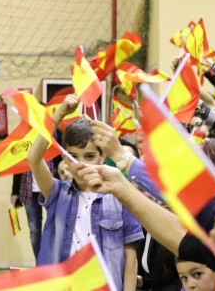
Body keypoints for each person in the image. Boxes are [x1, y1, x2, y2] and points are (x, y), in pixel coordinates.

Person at [27, 95, 143, 290]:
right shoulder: (57, 193)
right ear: (64, 157)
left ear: (102, 157)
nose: (81, 164)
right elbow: (33, 158)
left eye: (89, 156)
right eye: (73, 157)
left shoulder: (120, 196)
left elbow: (130, 259)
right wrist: (59, 115)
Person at [11, 162, 55, 259]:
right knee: (34, 229)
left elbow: (59, 161)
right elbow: (18, 166)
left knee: (55, 227)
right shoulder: (22, 147)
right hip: (29, 191)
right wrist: (15, 192)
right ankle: (40, 262)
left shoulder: (51, 146)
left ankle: (53, 261)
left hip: (51, 189)